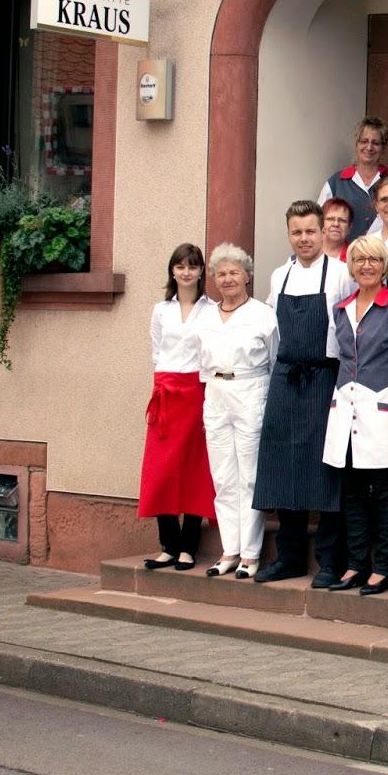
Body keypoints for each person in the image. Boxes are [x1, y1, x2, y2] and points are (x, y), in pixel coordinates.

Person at [253, 201, 355, 588]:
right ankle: (290, 556)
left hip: (325, 377)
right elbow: (271, 331)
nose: (304, 238)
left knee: (326, 469)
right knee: (283, 466)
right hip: (286, 376)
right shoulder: (280, 276)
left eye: (310, 231)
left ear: (323, 231)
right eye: (297, 232)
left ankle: (329, 561)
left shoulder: (342, 274)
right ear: (289, 235)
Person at [323, 235, 388, 596]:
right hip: (346, 412)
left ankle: (383, 568)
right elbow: (338, 355)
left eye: (374, 260)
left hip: (384, 410)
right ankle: (355, 564)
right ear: (352, 266)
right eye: (360, 260)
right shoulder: (340, 308)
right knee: (352, 494)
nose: (366, 266)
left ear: (384, 267)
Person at [196, 243, 279, 580]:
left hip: (250, 390)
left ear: (247, 275)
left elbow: (274, 358)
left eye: (234, 272)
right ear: (214, 278)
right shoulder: (205, 315)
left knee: (249, 477)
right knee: (223, 477)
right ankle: (229, 549)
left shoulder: (263, 313)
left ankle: (250, 553)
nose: (228, 278)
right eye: (221, 273)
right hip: (215, 393)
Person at [138, 244, 218, 572]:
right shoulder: (161, 310)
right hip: (167, 395)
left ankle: (188, 547)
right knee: (162, 471)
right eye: (180, 266)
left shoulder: (212, 310)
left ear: (201, 272)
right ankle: (168, 545)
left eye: (193, 266)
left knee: (194, 470)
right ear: (172, 271)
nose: (186, 272)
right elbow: (157, 351)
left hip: (197, 392)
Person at [318, 116, 388, 242]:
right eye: (364, 141)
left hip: (383, 256)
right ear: (356, 145)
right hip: (343, 258)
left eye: (375, 143)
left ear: (383, 148)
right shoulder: (336, 183)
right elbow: (318, 223)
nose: (369, 147)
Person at [322, 197, 353, 261]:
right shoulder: (306, 253)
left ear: (349, 227)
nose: (336, 224)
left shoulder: (355, 259)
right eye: (330, 219)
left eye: (342, 220)